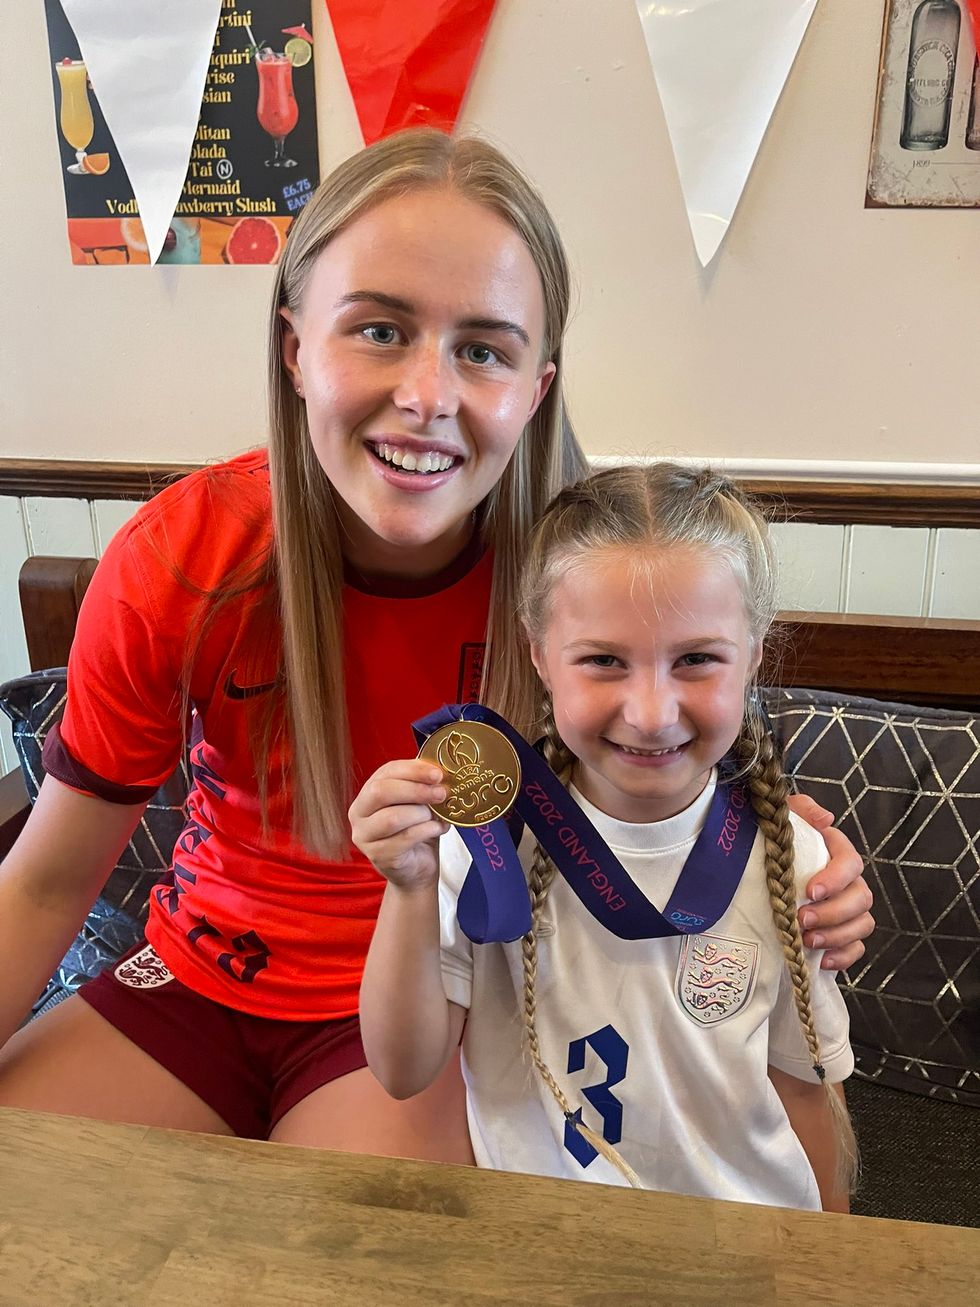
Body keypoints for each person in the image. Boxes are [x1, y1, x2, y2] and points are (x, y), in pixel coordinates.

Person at [0, 130, 872, 1156]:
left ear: (535, 386)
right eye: (377, 329)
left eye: (480, 350)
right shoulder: (180, 560)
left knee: (361, 1256)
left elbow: (691, 777)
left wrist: (800, 861)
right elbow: (51, 878)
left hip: (439, 1003)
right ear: (294, 347)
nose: (426, 395)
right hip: (196, 975)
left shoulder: (584, 581)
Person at [353, 463, 858, 1210]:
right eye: (603, 660)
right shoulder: (488, 845)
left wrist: (834, 1267)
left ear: (753, 653)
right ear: (538, 655)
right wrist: (409, 884)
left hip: (743, 1242)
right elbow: (402, 1069)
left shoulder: (795, 859)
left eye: (695, 659)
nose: (651, 711)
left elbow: (805, 1090)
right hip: (549, 1242)